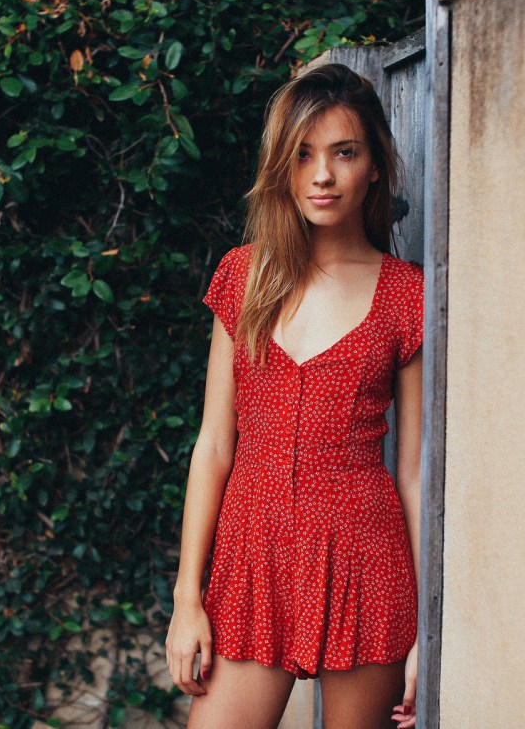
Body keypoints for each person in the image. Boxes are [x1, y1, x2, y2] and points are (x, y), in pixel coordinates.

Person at [166, 63, 423, 729]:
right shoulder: (243, 275)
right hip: (251, 559)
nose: (322, 175)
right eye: (303, 154)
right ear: (281, 165)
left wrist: (428, 630)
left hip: (365, 562)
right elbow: (214, 445)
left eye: (345, 152)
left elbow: (417, 470)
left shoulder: (407, 294)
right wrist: (186, 598)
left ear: (374, 165)